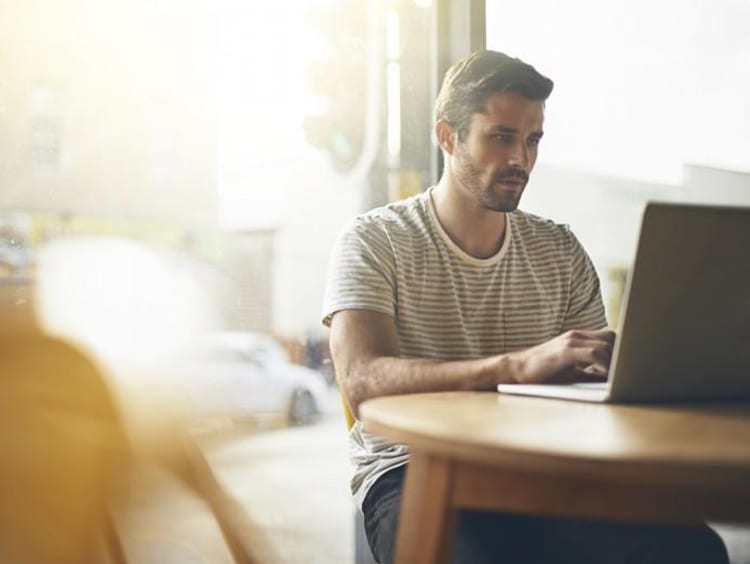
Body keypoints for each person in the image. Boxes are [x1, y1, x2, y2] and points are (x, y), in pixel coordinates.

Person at [322, 50, 728, 564]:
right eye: (501, 137)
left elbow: (595, 381)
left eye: (532, 140)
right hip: (413, 469)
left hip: (544, 466)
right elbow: (362, 382)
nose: (521, 159)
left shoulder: (560, 250)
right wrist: (513, 367)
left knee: (694, 549)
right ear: (447, 136)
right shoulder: (373, 240)